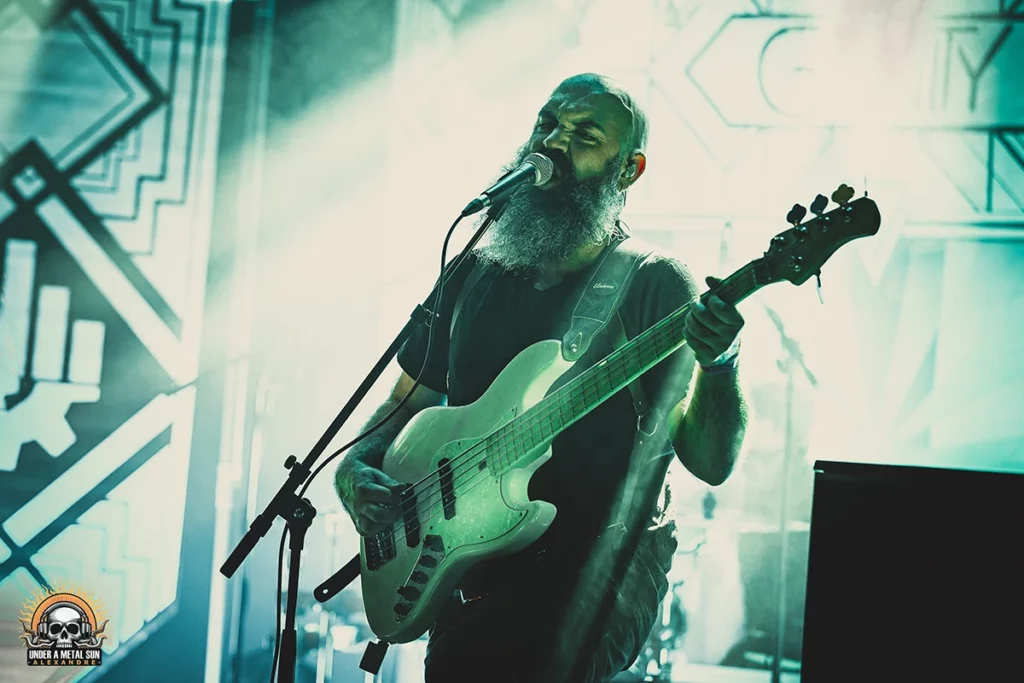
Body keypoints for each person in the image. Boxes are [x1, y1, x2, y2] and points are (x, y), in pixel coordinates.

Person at [335, 73, 747, 682]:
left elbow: (710, 461)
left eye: (584, 134)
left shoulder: (653, 284)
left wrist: (720, 364)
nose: (554, 141)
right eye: (547, 123)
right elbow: (406, 403)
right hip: (468, 563)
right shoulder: (476, 270)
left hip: (594, 572)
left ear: (628, 171)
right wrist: (354, 467)